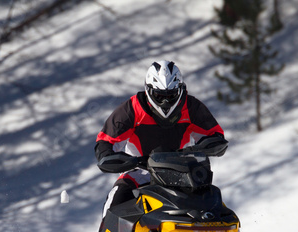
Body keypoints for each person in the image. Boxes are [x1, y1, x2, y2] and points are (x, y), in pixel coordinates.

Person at [95, 60, 226, 214]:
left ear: (180, 90)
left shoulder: (192, 107)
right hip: (139, 173)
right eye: (159, 95)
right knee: (113, 204)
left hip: (183, 176)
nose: (165, 102)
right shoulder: (131, 109)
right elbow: (105, 142)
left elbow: (216, 135)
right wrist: (110, 157)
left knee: (215, 210)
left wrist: (202, 147)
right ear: (148, 91)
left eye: (171, 96)